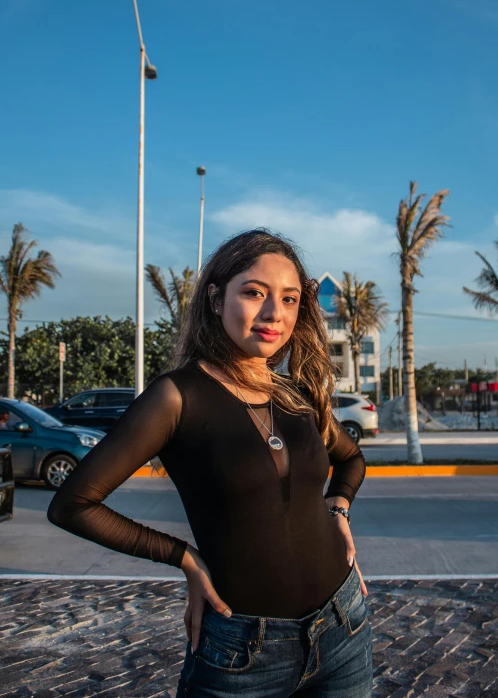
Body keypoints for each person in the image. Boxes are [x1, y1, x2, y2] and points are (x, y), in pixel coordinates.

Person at [47, 229, 372, 697]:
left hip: (344, 628)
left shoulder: (298, 396)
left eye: (289, 299)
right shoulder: (176, 397)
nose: (273, 313)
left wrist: (338, 509)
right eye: (254, 293)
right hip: (242, 652)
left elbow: (352, 460)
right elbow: (74, 505)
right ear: (217, 300)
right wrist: (184, 558)